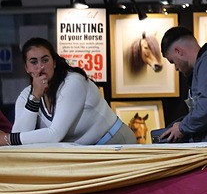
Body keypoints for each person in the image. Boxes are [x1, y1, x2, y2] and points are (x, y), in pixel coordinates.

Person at [1, 37, 136, 146]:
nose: (40, 67)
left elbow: (55, 134)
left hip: (115, 142)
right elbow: (19, 136)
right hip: (86, 152)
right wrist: (35, 97)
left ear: (54, 62)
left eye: (45, 60)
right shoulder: (27, 95)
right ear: (26, 68)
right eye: (33, 62)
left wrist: (7, 138)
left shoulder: (73, 82)